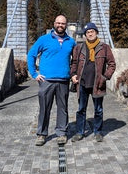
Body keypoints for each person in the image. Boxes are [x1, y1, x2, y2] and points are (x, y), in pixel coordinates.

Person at [27, 15, 76, 146]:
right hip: (46, 80)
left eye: (63, 23)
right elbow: (31, 55)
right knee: (44, 108)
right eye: (58, 23)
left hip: (63, 80)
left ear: (66, 25)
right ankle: (42, 134)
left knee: (63, 108)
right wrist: (34, 73)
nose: (60, 25)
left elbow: (76, 61)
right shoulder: (43, 39)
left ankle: (61, 133)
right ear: (54, 23)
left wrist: (73, 74)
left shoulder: (71, 41)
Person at [70, 22, 116, 142]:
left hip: (98, 84)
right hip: (82, 83)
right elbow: (74, 63)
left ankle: (98, 132)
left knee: (98, 109)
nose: (90, 34)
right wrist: (73, 75)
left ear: (96, 33)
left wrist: (105, 77)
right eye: (88, 32)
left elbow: (112, 64)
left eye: (92, 31)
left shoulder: (104, 47)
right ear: (85, 35)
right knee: (81, 109)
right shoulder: (79, 48)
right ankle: (80, 132)